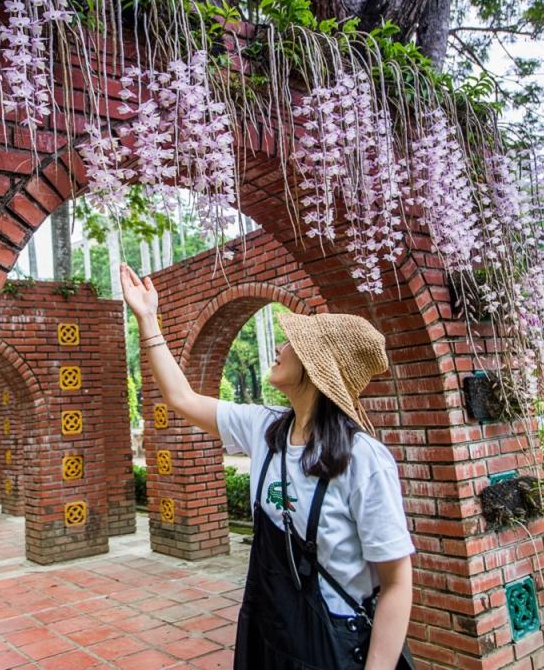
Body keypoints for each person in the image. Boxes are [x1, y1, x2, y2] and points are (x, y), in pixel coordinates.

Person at [119, 262, 415, 670]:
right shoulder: (264, 429)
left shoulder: (363, 460)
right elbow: (181, 397)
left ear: (315, 368)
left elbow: (398, 583)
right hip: (268, 630)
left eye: (292, 344)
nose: (279, 348)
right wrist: (147, 319)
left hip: (334, 641)